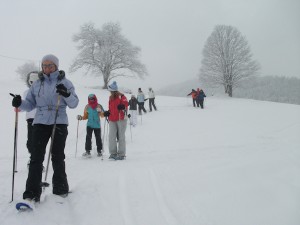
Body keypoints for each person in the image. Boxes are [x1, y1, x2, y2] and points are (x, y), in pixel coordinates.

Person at [11, 54, 79, 203]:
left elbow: (74, 103)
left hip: (58, 121)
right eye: (44, 65)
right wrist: (19, 102)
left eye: (50, 65)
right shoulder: (37, 84)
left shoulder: (65, 82)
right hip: (40, 122)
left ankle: (60, 189)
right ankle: (31, 194)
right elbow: (29, 104)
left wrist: (66, 94)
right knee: (36, 158)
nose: (47, 68)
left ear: (56, 66)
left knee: (57, 156)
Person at [104, 81, 128, 160]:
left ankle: (121, 154)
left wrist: (122, 106)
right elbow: (111, 108)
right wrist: (108, 112)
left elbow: (126, 103)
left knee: (121, 136)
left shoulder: (122, 96)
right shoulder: (110, 98)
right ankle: (113, 153)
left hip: (121, 118)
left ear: (114, 90)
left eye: (110, 91)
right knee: (111, 136)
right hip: (112, 119)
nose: (110, 92)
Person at [23, 71, 39, 168]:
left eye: (35, 81)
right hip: (30, 119)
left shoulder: (41, 92)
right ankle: (32, 156)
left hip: (40, 119)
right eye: (31, 82)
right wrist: (18, 107)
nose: (33, 84)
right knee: (30, 141)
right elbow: (25, 105)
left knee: (38, 141)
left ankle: (36, 160)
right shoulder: (26, 92)